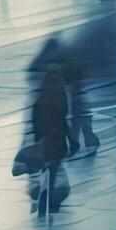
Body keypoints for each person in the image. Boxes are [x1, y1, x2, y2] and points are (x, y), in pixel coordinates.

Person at [29, 57, 71, 215]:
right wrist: (70, 139)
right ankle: (51, 199)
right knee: (54, 169)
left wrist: (36, 137)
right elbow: (64, 116)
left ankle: (43, 196)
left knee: (45, 168)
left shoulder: (41, 96)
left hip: (44, 139)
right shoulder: (60, 94)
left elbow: (35, 118)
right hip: (58, 137)